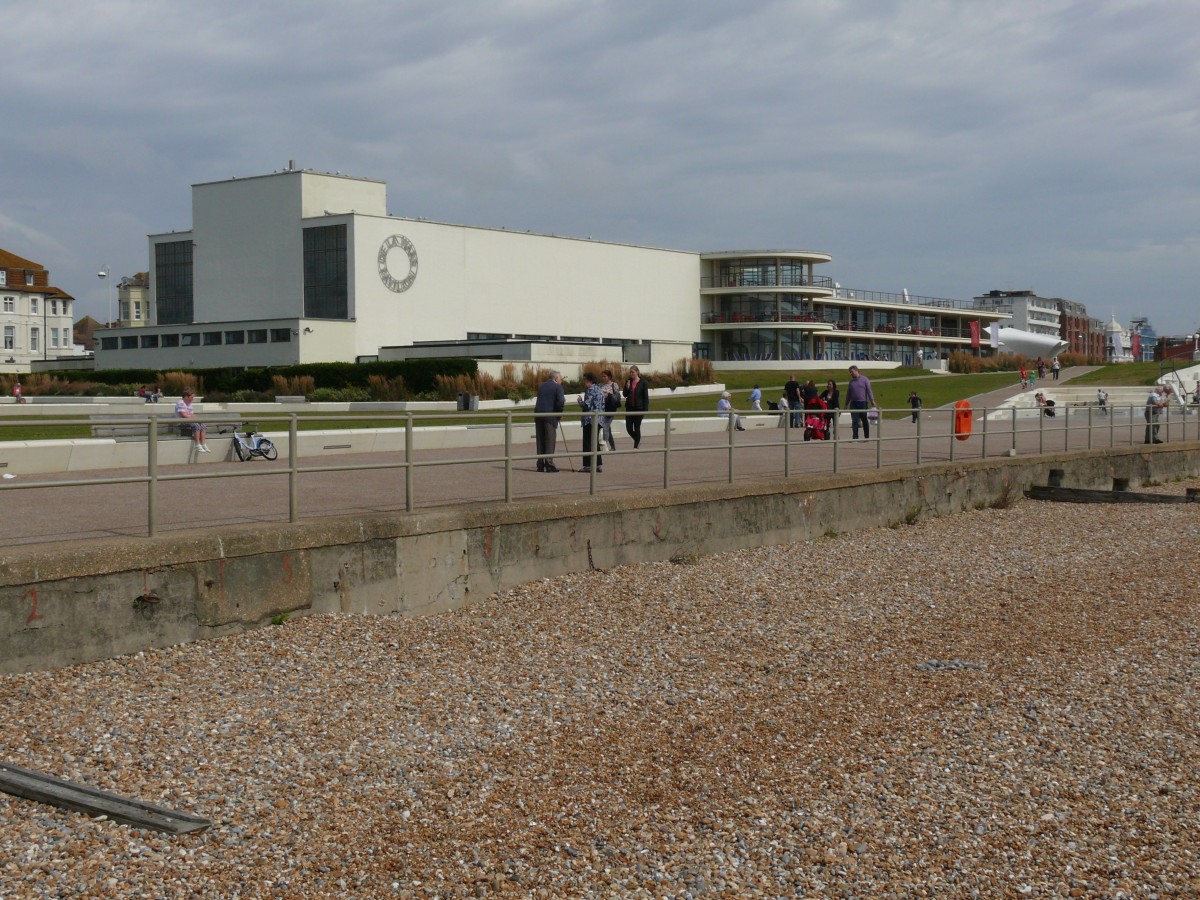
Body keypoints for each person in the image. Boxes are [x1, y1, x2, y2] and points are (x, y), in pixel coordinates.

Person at [533, 370, 565, 472]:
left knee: (540, 440)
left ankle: (540, 464)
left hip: (538, 415)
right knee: (550, 440)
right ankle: (549, 464)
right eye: (560, 379)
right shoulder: (557, 387)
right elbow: (560, 402)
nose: (561, 381)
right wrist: (559, 414)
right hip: (550, 416)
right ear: (556, 379)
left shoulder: (542, 386)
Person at [578, 372, 605, 472]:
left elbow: (587, 405)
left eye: (585, 380)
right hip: (599, 419)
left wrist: (580, 401)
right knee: (595, 442)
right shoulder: (599, 389)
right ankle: (597, 464)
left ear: (589, 380)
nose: (584, 382)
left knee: (588, 442)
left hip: (590, 420)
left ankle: (588, 465)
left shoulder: (590, 390)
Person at [845, 365, 877, 440]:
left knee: (864, 420)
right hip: (853, 403)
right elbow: (848, 394)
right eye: (850, 372)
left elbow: (869, 391)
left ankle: (866, 437)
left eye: (852, 372)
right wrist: (846, 403)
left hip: (862, 403)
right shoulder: (851, 382)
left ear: (857, 370)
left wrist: (872, 401)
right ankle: (855, 437)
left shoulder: (865, 379)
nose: (851, 373)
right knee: (855, 420)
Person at [623, 365, 649, 449]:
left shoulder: (643, 382)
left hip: (639, 408)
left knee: (637, 427)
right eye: (630, 372)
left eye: (632, 372)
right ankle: (638, 440)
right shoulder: (628, 381)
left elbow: (645, 397)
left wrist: (645, 409)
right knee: (629, 428)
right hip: (629, 408)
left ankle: (636, 445)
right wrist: (627, 387)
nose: (631, 374)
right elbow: (625, 394)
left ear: (637, 372)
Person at [598, 369, 622, 452]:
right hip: (602, 408)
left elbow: (618, 397)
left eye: (605, 376)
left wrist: (610, 395)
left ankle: (604, 445)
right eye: (602, 376)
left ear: (609, 377)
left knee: (605, 426)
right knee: (607, 427)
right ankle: (613, 446)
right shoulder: (600, 385)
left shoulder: (614, 385)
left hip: (610, 408)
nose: (603, 378)